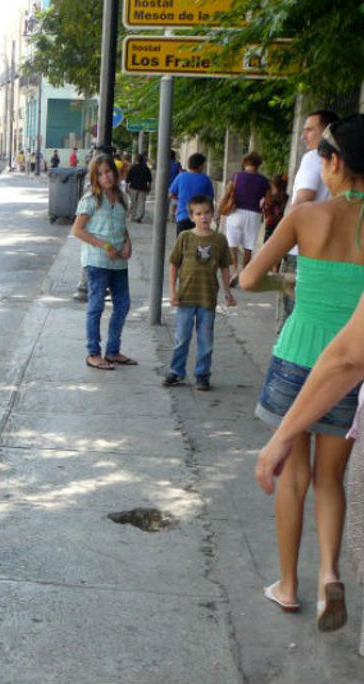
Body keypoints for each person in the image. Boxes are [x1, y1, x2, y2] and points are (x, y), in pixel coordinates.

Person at [240, 113, 364, 632]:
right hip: (350, 366)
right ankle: (327, 577)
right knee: (332, 479)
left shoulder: (306, 215)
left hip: (297, 356)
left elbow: (248, 279)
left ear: (335, 164)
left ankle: (287, 585)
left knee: (294, 475)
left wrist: (294, 289)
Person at [162, 195, 237, 391]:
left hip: (207, 298)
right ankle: (176, 372)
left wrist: (228, 291)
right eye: (198, 214)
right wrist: (173, 291)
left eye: (206, 213)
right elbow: (173, 264)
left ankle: (202, 374)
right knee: (181, 338)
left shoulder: (219, 240)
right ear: (191, 216)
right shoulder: (185, 237)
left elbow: (225, 267)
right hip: (185, 298)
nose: (203, 217)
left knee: (206, 340)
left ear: (212, 214)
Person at [71, 153, 135, 370]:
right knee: (96, 306)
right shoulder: (91, 200)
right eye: (100, 174)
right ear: (94, 177)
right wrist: (104, 246)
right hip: (98, 261)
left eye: (108, 172)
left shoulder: (121, 198)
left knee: (123, 305)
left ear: (115, 173)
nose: (105, 177)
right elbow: (77, 230)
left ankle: (113, 351)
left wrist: (127, 242)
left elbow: (121, 225)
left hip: (119, 262)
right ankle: (93, 353)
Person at [278, 110, 342, 329]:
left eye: (309, 130)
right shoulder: (344, 162)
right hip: (330, 251)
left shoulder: (313, 158)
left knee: (294, 319)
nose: (303, 136)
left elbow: (303, 201)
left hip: (302, 251)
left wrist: (280, 242)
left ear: (325, 131)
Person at [221, 151, 270, 285]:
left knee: (233, 244)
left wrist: (219, 210)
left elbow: (227, 194)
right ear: (258, 165)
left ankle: (235, 271)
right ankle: (244, 273)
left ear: (244, 163)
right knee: (248, 246)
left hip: (236, 212)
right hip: (254, 214)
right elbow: (269, 200)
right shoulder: (264, 181)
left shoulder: (236, 176)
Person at [168, 153, 214, 236]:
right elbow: (209, 199)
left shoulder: (181, 177)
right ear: (200, 166)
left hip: (182, 215)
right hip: (199, 218)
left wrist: (180, 198)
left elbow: (171, 194)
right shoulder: (206, 179)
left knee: (182, 244)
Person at [126, 153, 152, 222]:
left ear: (136, 160)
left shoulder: (133, 168)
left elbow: (128, 179)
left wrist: (127, 186)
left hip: (133, 187)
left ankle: (133, 216)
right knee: (141, 203)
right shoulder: (146, 168)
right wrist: (149, 187)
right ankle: (139, 217)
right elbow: (149, 180)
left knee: (133, 202)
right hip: (143, 188)